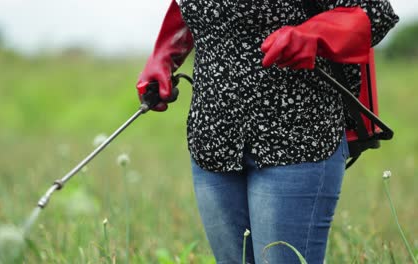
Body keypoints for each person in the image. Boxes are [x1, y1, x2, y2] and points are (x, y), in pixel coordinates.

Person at [136, 0, 399, 263]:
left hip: (296, 137)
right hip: (213, 138)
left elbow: (375, 14)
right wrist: (164, 55)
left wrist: (313, 34)